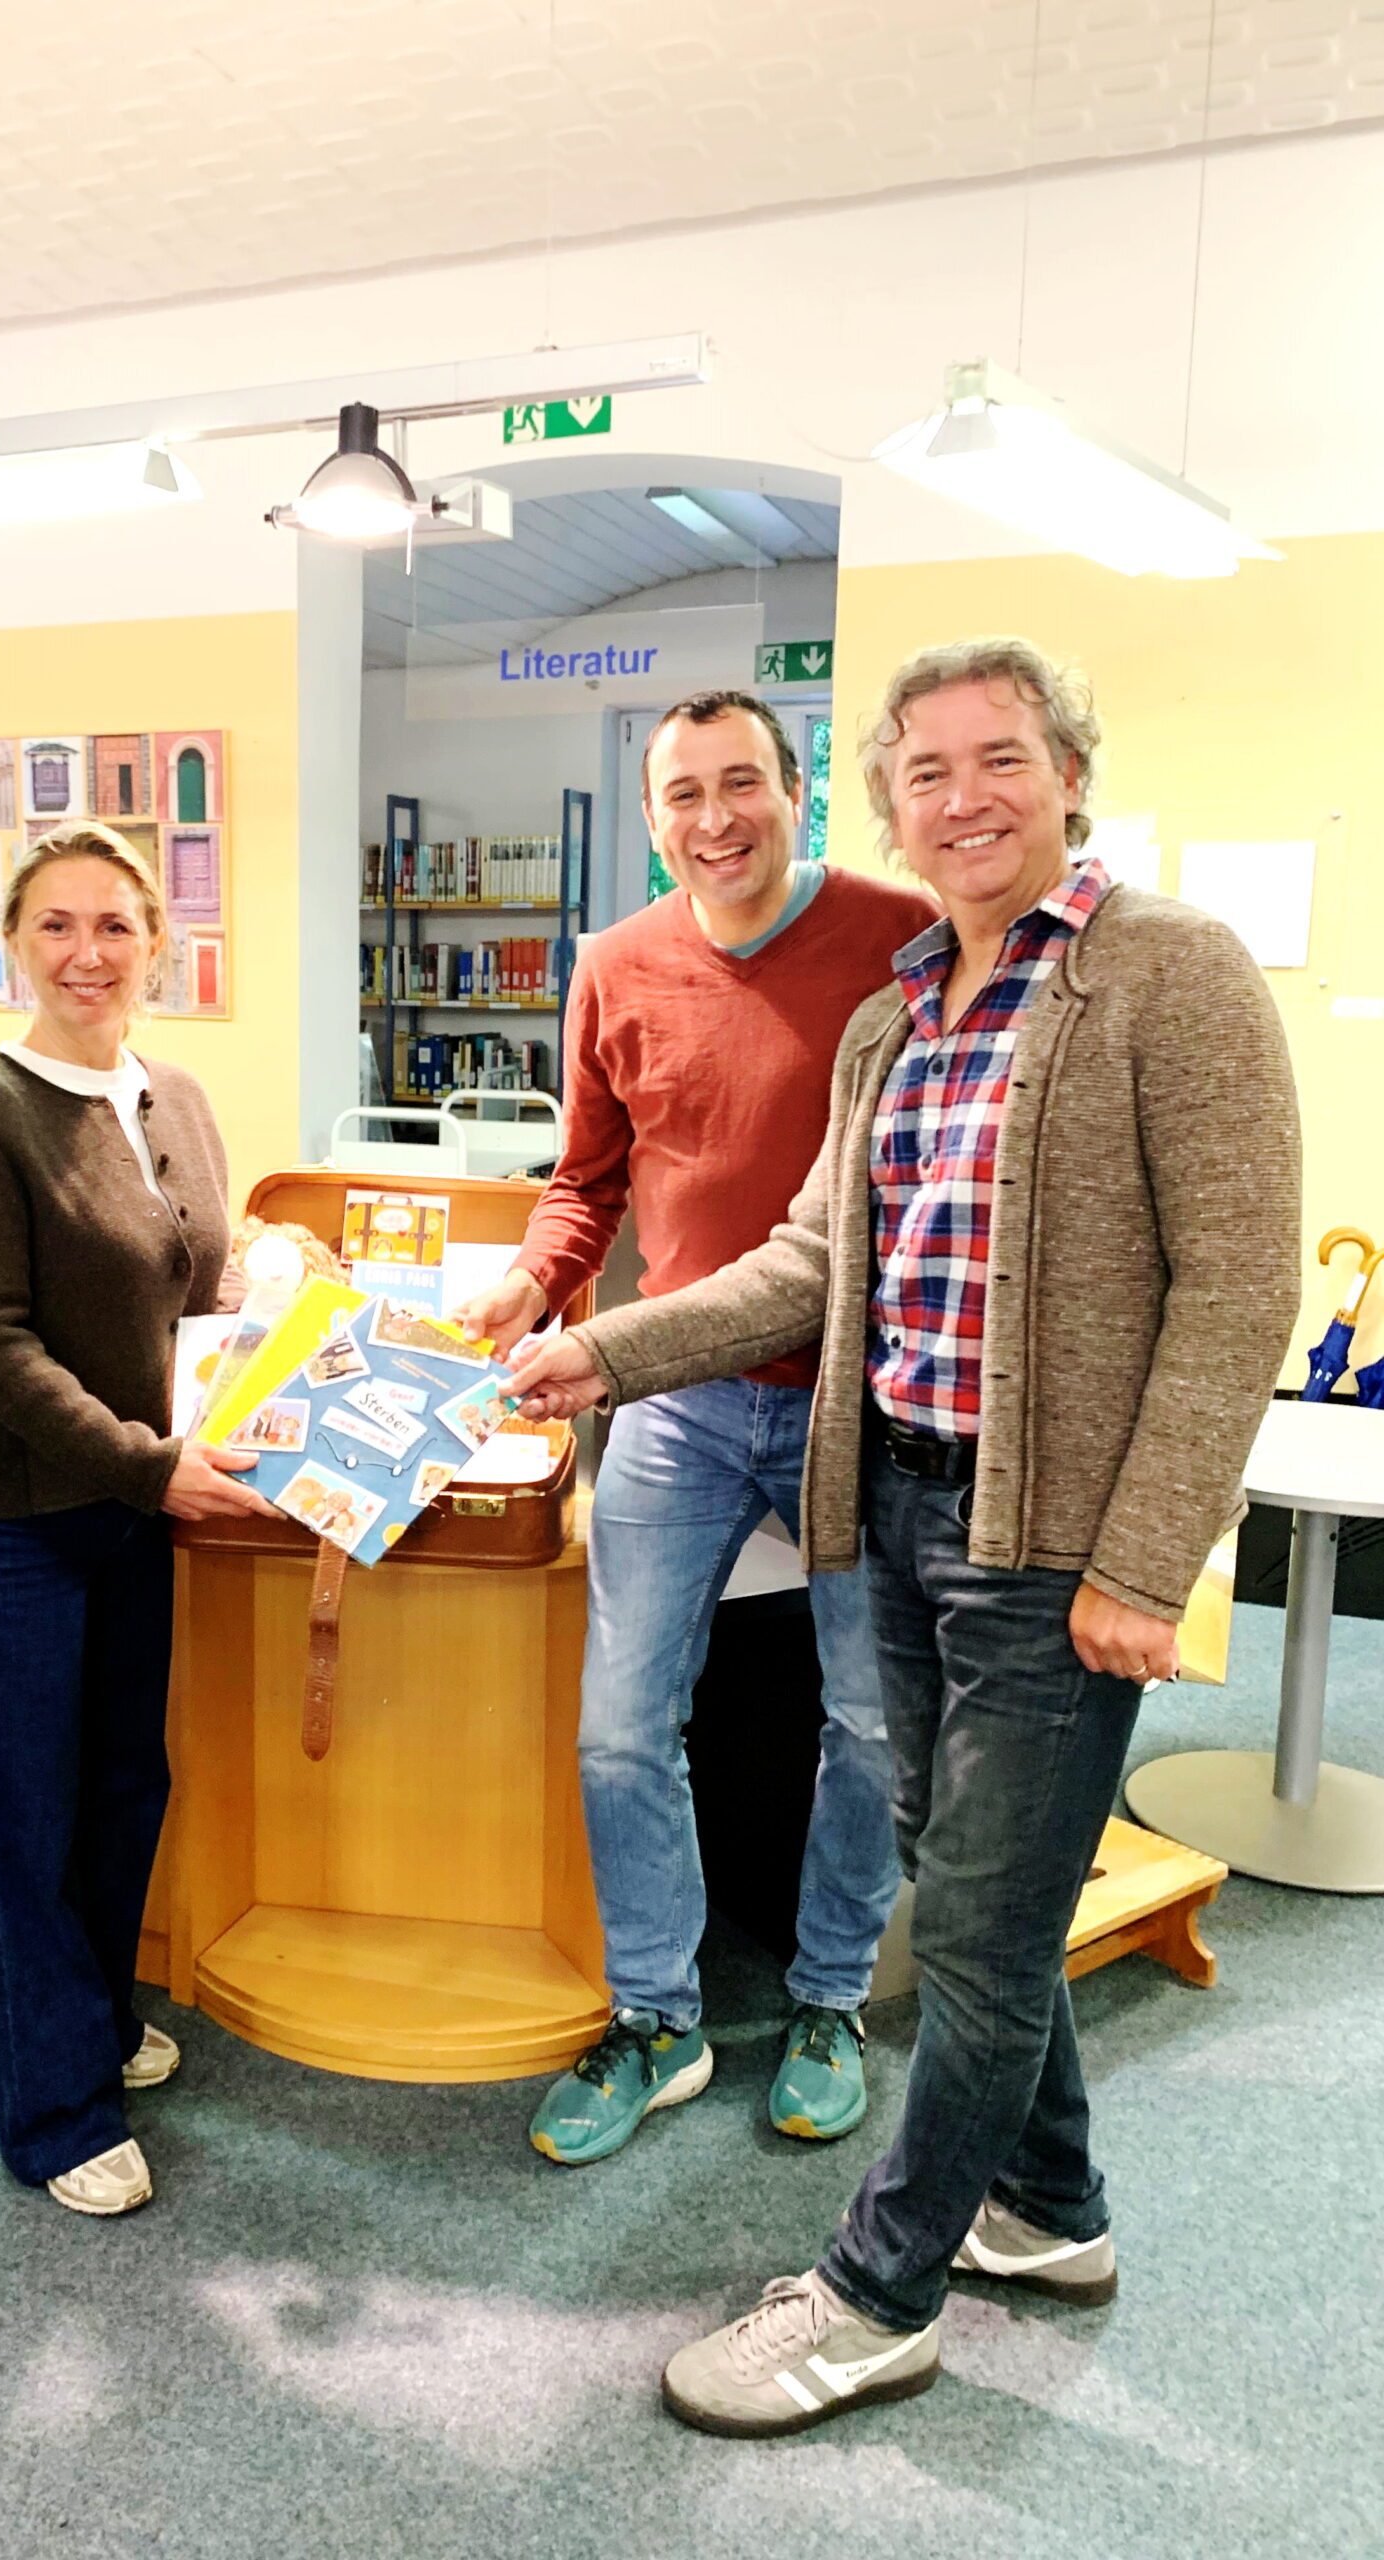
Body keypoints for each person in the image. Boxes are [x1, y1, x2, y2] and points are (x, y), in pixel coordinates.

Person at [511, 637, 1300, 2436]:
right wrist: (602, 1352)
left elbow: (1237, 1285)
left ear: (1070, 773)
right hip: (900, 1507)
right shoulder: (901, 1012)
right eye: (927, 773)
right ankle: (1053, 2209)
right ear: (890, 807)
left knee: (982, 1936)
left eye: (1000, 759)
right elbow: (808, 1264)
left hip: (1053, 1542)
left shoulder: (1169, 970)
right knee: (979, 1896)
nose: (964, 799)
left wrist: (1145, 1562)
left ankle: (875, 2295)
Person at [457, 691, 936, 2165]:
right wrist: (536, 1277)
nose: (715, 819)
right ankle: (658, 2018)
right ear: (652, 815)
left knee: (869, 1724)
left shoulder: (904, 937)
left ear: (798, 792)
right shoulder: (614, 963)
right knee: (620, 1726)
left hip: (859, 1397)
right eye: (684, 794)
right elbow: (587, 1178)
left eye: (743, 785)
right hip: (671, 1396)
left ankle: (829, 2001)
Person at [0, 822, 272, 2220]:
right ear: (12, 945)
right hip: (17, 1521)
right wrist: (147, 1465)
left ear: (156, 944)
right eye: (55, 926)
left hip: (137, 1504)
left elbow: (203, 1293)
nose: (86, 952)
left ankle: (98, 2023)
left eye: (115, 924)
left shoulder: (175, 1096)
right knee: (27, 1816)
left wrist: (294, 1341)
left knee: (126, 1787)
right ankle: (54, 2112)